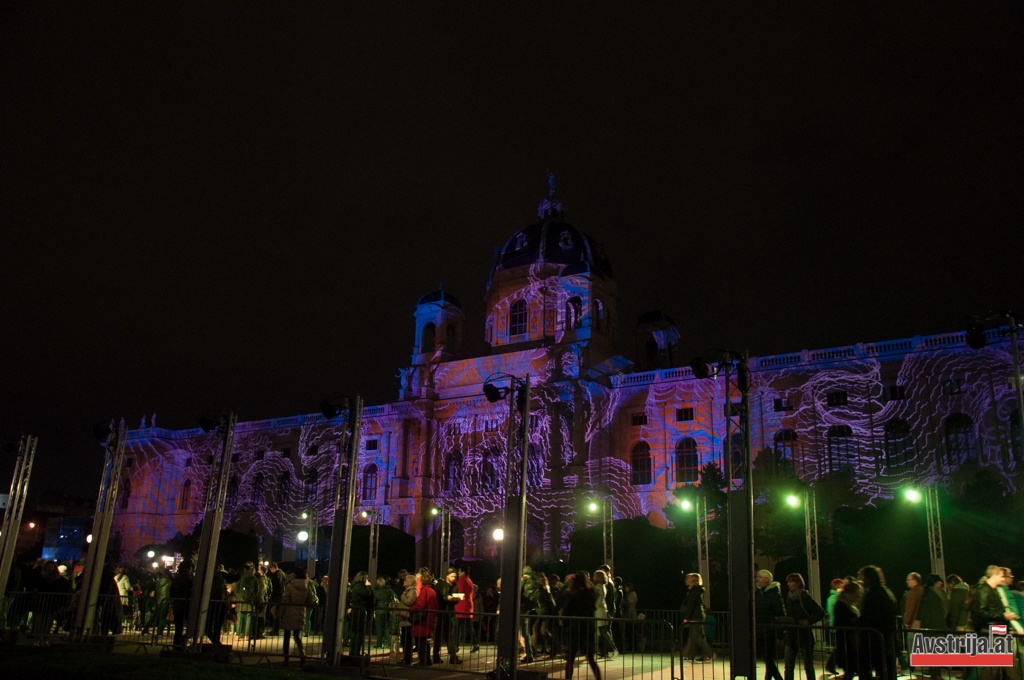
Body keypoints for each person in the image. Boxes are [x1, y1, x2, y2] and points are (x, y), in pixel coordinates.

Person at [857, 565, 897, 680]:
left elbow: (871, 616)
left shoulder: (873, 593)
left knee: (868, 668)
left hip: (876, 639)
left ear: (868, 578)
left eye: (862, 577)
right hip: (884, 637)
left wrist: (856, 621)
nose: (860, 580)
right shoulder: (883, 591)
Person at [561, 570, 602, 680]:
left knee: (570, 659)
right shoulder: (590, 593)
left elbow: (566, 609)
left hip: (574, 627)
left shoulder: (571, 594)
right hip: (588, 627)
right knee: (591, 659)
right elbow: (592, 607)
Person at [783, 572, 824, 680]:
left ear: (798, 583)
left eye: (791, 582)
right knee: (788, 665)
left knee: (808, 665)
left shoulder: (804, 596)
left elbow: (820, 612)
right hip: (791, 634)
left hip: (803, 634)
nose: (788, 584)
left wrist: (808, 621)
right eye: (788, 582)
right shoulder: (789, 597)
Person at [279, 567, 315, 665]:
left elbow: (285, 599)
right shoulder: (307, 585)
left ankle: (286, 658)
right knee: (297, 636)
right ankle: (302, 654)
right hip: (300, 611)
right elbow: (311, 599)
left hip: (289, 612)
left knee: (287, 636)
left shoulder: (290, 586)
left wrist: (281, 612)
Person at [755, 569, 785, 680]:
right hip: (763, 629)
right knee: (767, 658)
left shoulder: (772, 595)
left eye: (759, 576)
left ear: (766, 580)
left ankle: (778, 678)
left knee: (767, 658)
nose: (757, 579)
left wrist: (779, 634)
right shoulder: (760, 593)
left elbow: (779, 615)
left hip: (769, 630)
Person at [681, 572, 714, 662]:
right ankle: (691, 655)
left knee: (696, 636)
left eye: (687, 579)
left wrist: (686, 618)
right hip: (699, 615)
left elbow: (691, 606)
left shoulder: (694, 592)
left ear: (692, 581)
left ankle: (710, 653)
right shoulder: (697, 591)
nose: (685, 581)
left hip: (696, 616)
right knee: (695, 636)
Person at [832, 580, 862, 680]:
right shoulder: (842, 605)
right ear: (850, 593)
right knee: (853, 670)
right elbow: (843, 622)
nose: (858, 597)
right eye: (857, 594)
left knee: (851, 672)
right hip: (847, 645)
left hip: (850, 645)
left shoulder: (847, 604)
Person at [410, 568, 439, 666]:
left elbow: (420, 605)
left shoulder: (424, 591)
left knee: (420, 641)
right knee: (424, 641)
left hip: (422, 620)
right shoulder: (432, 591)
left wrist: (410, 608)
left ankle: (423, 661)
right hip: (429, 618)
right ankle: (427, 660)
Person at [432, 567, 461, 663]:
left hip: (450, 613)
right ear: (447, 576)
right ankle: (436, 656)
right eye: (452, 576)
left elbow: (454, 599)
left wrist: (455, 599)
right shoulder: (440, 585)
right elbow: (437, 597)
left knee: (451, 635)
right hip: (441, 613)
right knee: (438, 636)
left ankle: (452, 656)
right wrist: (446, 598)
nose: (454, 578)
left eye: (455, 576)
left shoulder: (455, 586)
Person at [593, 569, 618, 657]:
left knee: (603, 631)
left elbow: (599, 600)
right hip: (602, 610)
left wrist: (594, 606)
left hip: (599, 611)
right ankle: (606, 650)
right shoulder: (603, 586)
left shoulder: (598, 587)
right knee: (602, 632)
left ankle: (612, 649)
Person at [347, 570, 373, 655]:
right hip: (360, 612)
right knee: (359, 632)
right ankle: (355, 652)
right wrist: (369, 586)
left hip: (357, 611)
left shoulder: (355, 586)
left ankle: (354, 651)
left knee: (356, 632)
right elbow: (366, 594)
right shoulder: (359, 587)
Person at [170, 560, 193, 649]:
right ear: (187, 569)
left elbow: (171, 591)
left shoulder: (176, 579)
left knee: (178, 628)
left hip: (178, 604)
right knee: (190, 626)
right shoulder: (187, 579)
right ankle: (180, 643)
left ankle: (177, 644)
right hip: (185, 605)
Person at [454, 566, 475, 655]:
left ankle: (456, 645)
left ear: (463, 572)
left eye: (459, 571)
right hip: (468, 605)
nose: (458, 573)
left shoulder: (461, 580)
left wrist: (451, 597)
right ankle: (475, 643)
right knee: (468, 626)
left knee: (457, 627)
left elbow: (460, 593)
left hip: (461, 606)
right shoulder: (469, 580)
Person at [235, 562, 257, 642]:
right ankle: (247, 635)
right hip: (250, 602)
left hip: (241, 601)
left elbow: (236, 589)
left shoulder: (242, 578)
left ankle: (238, 634)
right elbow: (256, 591)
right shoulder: (254, 578)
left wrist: (238, 596)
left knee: (240, 618)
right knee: (249, 618)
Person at [373, 575, 398, 649]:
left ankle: (379, 643)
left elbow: (374, 601)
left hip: (379, 610)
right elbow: (395, 597)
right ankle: (390, 643)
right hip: (387, 610)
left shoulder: (376, 591)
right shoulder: (389, 590)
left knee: (379, 628)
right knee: (387, 627)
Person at [397, 573, 417, 662]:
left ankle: (407, 659)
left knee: (407, 640)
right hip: (404, 619)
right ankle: (406, 657)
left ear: (410, 582)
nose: (404, 581)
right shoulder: (407, 591)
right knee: (404, 639)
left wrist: (403, 596)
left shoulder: (412, 591)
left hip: (408, 619)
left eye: (406, 580)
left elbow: (409, 602)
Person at [266, 562, 285, 635]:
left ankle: (275, 629)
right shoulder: (283, 574)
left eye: (270, 569)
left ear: (273, 568)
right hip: (282, 595)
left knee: (275, 613)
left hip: (276, 596)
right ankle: (276, 629)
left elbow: (274, 586)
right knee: (278, 614)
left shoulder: (276, 575)